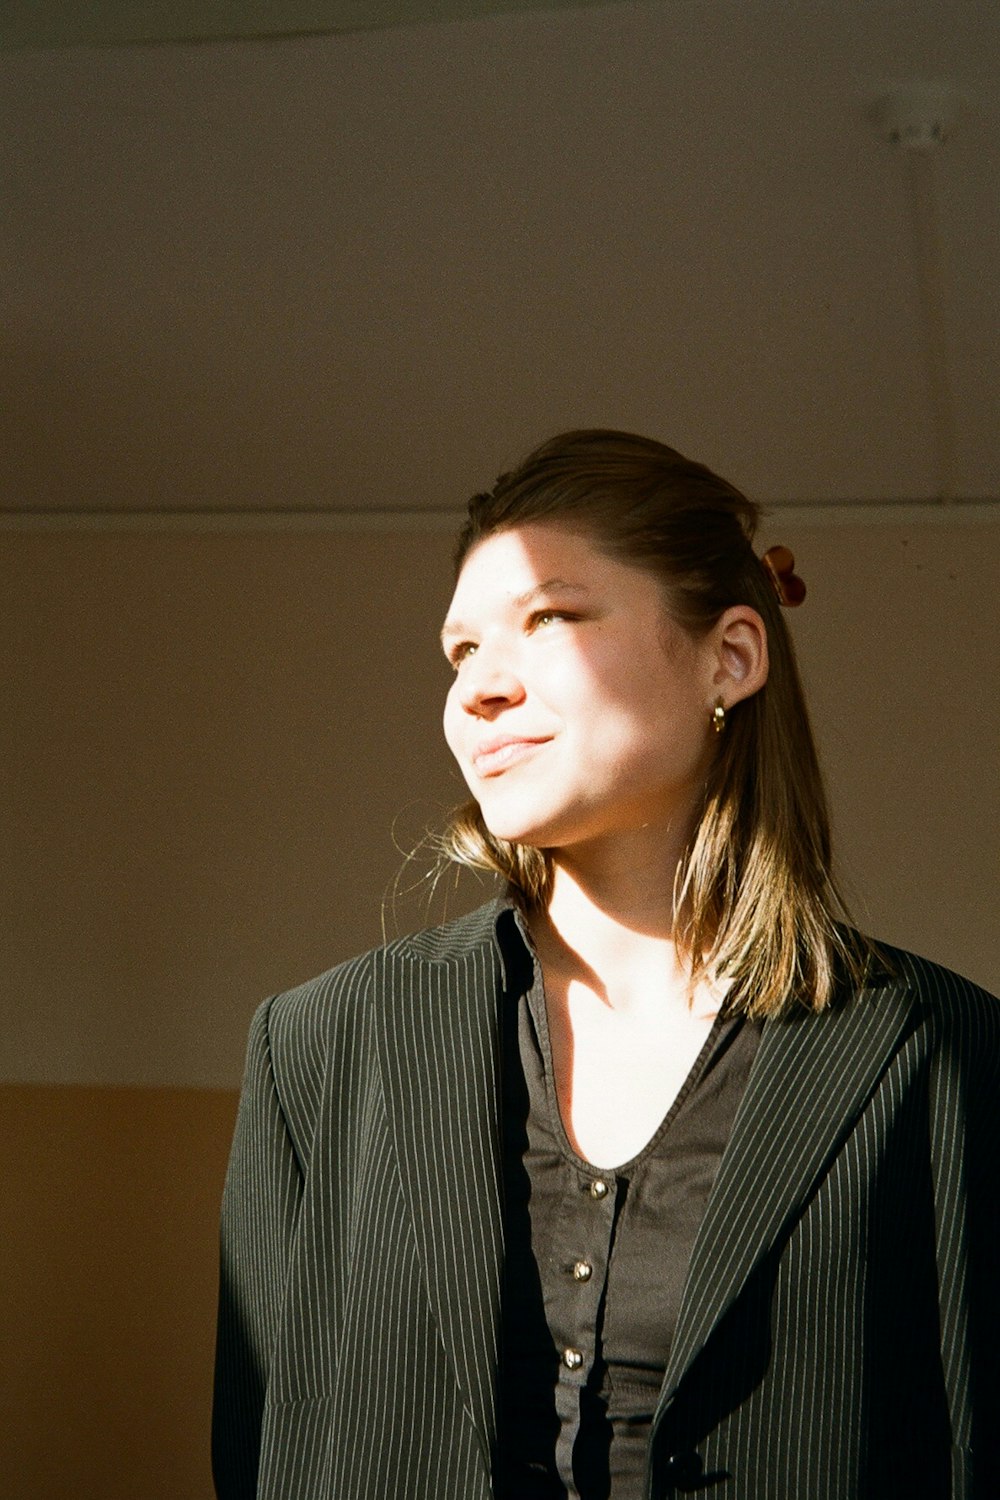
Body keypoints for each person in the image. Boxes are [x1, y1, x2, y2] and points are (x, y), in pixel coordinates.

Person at [212, 430, 999, 1500]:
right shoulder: (318, 1046)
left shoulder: (942, 1054)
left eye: (548, 617)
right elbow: (258, 1454)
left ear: (730, 656)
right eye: (459, 652)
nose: (480, 689)